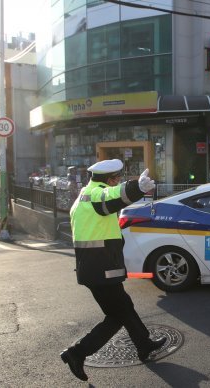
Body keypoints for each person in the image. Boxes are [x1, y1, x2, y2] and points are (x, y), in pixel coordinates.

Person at [60, 159, 166, 381]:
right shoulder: (97, 195)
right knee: (117, 315)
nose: (117, 181)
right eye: (116, 178)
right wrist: (137, 187)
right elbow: (111, 197)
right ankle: (77, 353)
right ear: (108, 179)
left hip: (95, 269)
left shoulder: (83, 197)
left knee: (123, 310)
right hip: (101, 269)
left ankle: (143, 344)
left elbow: (104, 216)